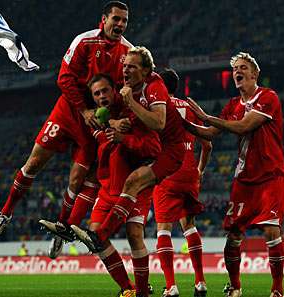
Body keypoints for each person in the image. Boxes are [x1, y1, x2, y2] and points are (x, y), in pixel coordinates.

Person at [0, 1, 132, 259]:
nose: (120, 24)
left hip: (95, 122)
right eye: (116, 19)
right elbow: (63, 78)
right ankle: (6, 212)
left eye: (124, 21)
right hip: (68, 112)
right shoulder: (85, 41)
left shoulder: (128, 52)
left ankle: (61, 230)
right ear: (104, 19)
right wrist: (84, 110)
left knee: (76, 181)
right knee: (33, 163)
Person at [184, 52, 284, 297]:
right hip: (244, 178)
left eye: (243, 68)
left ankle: (277, 289)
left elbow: (243, 126)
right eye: (235, 70)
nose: (237, 73)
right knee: (233, 234)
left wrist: (206, 116)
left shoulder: (268, 96)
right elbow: (209, 133)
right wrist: (183, 124)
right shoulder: (232, 105)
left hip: (271, 175)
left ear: (255, 74)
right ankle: (235, 286)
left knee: (271, 229)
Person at [72, 47, 187, 257]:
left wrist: (131, 103)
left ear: (145, 71)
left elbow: (159, 123)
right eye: (124, 65)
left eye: (131, 67)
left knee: (134, 182)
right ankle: (101, 237)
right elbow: (113, 114)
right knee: (132, 189)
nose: (125, 70)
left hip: (170, 151)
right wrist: (114, 121)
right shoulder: (128, 87)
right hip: (153, 150)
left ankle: (100, 235)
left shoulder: (154, 86)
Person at [87, 73, 161, 297]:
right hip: (108, 189)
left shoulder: (133, 112)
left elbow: (154, 149)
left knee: (134, 234)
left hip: (134, 188)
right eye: (96, 93)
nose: (101, 96)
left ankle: (141, 292)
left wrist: (124, 138)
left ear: (114, 90)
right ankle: (127, 288)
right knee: (94, 235)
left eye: (105, 91)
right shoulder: (99, 120)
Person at [153, 68, 211, 297]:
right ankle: (200, 282)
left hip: (168, 171)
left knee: (163, 229)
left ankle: (171, 286)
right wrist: (200, 170)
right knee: (189, 225)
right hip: (189, 173)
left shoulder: (157, 106)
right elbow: (208, 145)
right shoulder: (190, 107)